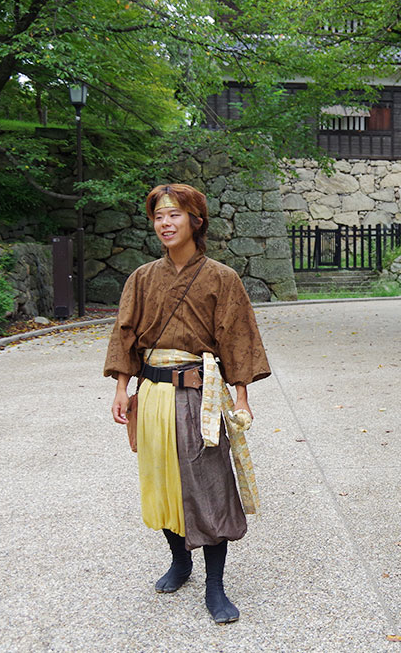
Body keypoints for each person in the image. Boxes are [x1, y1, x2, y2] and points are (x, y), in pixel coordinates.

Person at [105, 183, 270, 624]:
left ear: (196, 221)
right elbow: (125, 335)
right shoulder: (141, 278)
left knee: (209, 486)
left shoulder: (221, 277)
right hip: (153, 394)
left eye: (174, 215)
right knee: (161, 483)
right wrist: (122, 388)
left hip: (199, 396)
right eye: (159, 216)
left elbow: (238, 337)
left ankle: (215, 585)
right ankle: (180, 561)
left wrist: (242, 397)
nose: (165, 223)